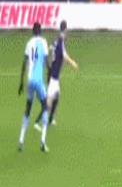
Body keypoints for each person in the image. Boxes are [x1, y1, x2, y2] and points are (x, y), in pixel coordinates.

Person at [34, 21, 78, 131]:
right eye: (66, 33)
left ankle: (50, 119)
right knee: (48, 102)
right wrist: (73, 64)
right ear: (65, 30)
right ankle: (37, 122)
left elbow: (51, 49)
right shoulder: (60, 42)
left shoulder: (56, 42)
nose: (66, 36)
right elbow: (65, 57)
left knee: (57, 97)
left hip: (54, 76)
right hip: (53, 77)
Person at [18, 22, 50, 153]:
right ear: (40, 31)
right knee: (45, 106)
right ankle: (42, 141)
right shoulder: (44, 42)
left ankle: (21, 140)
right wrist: (49, 76)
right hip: (39, 80)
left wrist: (21, 83)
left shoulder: (29, 43)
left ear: (32, 31)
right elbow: (47, 62)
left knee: (28, 108)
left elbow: (24, 63)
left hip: (30, 80)